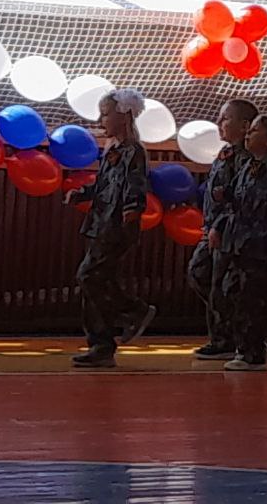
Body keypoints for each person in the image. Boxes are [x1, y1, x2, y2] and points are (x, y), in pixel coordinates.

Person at [188, 99, 267, 361]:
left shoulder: (251, 159)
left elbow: (246, 197)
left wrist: (219, 225)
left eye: (225, 118)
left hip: (234, 232)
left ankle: (233, 337)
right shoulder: (229, 153)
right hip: (219, 228)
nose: (219, 123)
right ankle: (250, 329)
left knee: (224, 285)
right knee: (210, 280)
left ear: (245, 126)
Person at [65, 89, 157, 368]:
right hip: (99, 223)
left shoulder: (133, 151)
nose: (100, 120)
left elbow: (136, 185)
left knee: (89, 276)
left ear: (123, 116)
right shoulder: (112, 149)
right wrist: (83, 193)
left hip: (116, 226)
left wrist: (131, 212)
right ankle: (101, 344)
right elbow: (104, 184)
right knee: (98, 281)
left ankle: (134, 311)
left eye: (105, 114)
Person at [213, 115, 267, 372]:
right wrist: (223, 195)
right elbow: (236, 195)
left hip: (260, 244)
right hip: (240, 242)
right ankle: (244, 345)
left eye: (254, 131)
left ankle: (252, 353)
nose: (248, 134)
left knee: (252, 298)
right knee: (232, 292)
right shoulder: (249, 165)